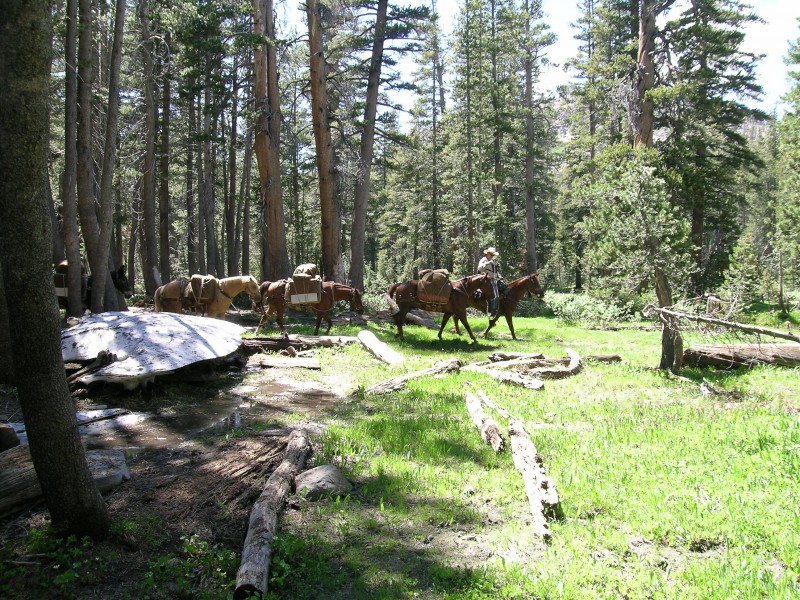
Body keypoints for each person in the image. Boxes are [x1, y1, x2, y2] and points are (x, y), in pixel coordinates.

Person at [477, 246, 500, 318]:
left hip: (493, 280)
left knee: (497, 296)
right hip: (487, 281)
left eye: (493, 255)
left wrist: (499, 276)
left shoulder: (492, 261)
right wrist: (487, 263)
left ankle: (495, 312)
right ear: (487, 254)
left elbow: (494, 271)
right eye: (491, 255)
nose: (492, 256)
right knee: (494, 296)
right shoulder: (484, 260)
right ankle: (491, 313)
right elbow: (480, 268)